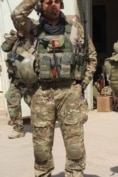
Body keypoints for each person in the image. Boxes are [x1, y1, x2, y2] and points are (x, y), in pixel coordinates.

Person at [11, 0, 97, 176]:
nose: (54, 5)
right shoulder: (32, 29)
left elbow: (92, 58)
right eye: (49, 2)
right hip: (41, 92)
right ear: (41, 5)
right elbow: (16, 14)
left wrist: (82, 85)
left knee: (75, 148)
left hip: (69, 93)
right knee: (41, 149)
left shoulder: (75, 28)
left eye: (57, 1)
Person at [1, 30, 35, 139]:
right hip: (16, 79)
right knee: (11, 98)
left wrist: (16, 59)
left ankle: (42, 126)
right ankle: (18, 128)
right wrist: (14, 37)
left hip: (29, 79)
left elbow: (28, 56)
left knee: (32, 102)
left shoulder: (34, 39)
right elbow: (5, 47)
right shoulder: (16, 40)